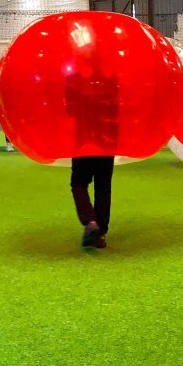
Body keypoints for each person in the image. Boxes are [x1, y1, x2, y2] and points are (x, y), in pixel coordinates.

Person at [66, 64, 117, 249]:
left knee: (79, 183)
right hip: (108, 138)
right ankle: (101, 234)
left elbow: (70, 110)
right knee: (103, 187)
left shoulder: (75, 79)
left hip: (84, 138)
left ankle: (90, 221)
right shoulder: (111, 79)